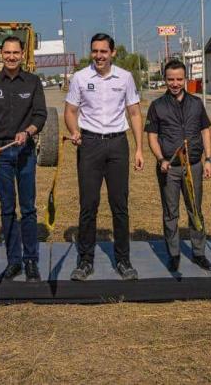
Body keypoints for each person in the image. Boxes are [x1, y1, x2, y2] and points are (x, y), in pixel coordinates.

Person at [64, 33, 144, 281]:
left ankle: (123, 260)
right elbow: (70, 111)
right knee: (89, 205)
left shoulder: (125, 77)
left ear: (113, 53)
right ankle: (85, 261)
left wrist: (139, 148)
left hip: (118, 144)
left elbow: (134, 112)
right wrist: (74, 131)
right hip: (89, 145)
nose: (99, 56)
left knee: (119, 205)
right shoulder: (80, 77)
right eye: (95, 51)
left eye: (103, 51)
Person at [0, 35, 47, 282]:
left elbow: (40, 115)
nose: (11, 56)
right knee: (7, 209)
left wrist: (28, 132)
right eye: (7, 52)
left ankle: (31, 261)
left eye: (15, 52)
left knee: (28, 208)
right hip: (1, 154)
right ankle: (13, 262)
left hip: (25, 152)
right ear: (0, 54)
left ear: (22, 54)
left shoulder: (33, 82)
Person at [146, 59, 211, 272]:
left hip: (193, 166)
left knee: (195, 209)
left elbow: (205, 131)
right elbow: (152, 136)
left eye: (179, 79)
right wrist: (161, 159)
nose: (175, 83)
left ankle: (199, 252)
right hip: (170, 169)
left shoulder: (196, 103)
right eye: (170, 79)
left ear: (185, 79)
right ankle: (174, 254)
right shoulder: (157, 106)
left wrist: (209, 160)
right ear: (165, 80)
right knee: (171, 212)